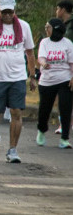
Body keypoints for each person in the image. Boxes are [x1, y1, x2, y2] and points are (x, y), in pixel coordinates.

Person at [0, 0, 36, 163]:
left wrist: (32, 76)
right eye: (4, 12)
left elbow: (30, 53)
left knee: (16, 112)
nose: (7, 15)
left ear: (14, 10)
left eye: (10, 11)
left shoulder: (24, 27)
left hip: (17, 77)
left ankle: (13, 150)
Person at [36, 18, 73, 149]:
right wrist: (43, 63)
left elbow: (71, 62)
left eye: (48, 27)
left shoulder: (67, 43)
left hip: (64, 79)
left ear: (56, 29)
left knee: (65, 108)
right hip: (47, 81)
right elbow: (41, 57)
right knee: (44, 109)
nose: (46, 29)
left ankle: (64, 139)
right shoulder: (45, 42)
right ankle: (41, 130)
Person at [54, 0, 73, 135]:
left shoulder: (71, 26)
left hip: (70, 65)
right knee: (63, 97)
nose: (56, 12)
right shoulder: (61, 25)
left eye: (57, 8)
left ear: (63, 10)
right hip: (62, 66)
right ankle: (64, 124)